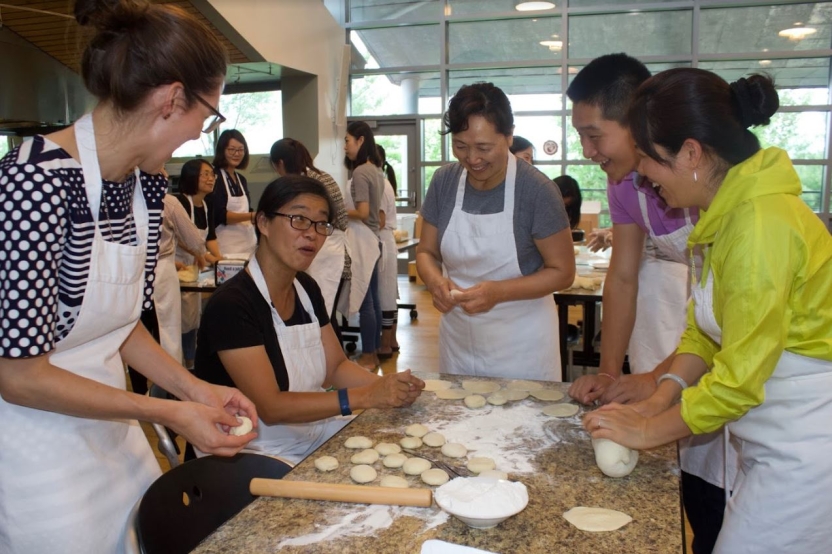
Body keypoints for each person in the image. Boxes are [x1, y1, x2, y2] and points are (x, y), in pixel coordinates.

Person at [0, 2, 256, 552]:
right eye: (205, 115)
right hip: (33, 450)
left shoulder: (143, 187)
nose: (198, 136)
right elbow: (17, 374)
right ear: (171, 99)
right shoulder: (33, 183)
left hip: (111, 432)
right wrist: (167, 410)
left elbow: (118, 324)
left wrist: (197, 390)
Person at [585, 68, 832, 554]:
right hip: (773, 432)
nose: (645, 176)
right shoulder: (726, 213)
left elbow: (737, 379)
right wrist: (658, 398)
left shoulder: (761, 225)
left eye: (651, 161)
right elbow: (705, 333)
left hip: (809, 441)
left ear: (692, 153)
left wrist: (651, 430)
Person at [566, 53, 731, 554]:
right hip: (700, 341)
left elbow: (733, 337)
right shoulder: (625, 186)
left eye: (595, 134)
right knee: (698, 482)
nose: (587, 150)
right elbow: (622, 278)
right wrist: (612, 374)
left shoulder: (720, 189)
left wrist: (658, 399)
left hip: (740, 362)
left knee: (725, 490)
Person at [194, 176, 424, 464]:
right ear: (263, 223)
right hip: (245, 454)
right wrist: (366, 396)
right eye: (299, 219)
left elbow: (336, 368)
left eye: (321, 223)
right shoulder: (232, 305)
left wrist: (390, 386)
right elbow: (272, 407)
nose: (312, 234)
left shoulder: (305, 288)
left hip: (305, 435)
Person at [416, 82, 574, 381]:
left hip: (522, 344)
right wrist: (435, 281)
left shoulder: (537, 190)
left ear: (509, 135)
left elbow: (563, 271)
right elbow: (426, 251)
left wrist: (498, 292)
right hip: (459, 340)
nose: (472, 158)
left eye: (484, 148)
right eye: (461, 146)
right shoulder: (444, 181)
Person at [269, 137, 350, 336]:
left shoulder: (301, 185)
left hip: (324, 250)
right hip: (333, 247)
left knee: (320, 316)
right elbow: (343, 220)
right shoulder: (321, 176)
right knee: (325, 316)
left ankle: (332, 363)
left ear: (280, 163)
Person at [343, 121, 384, 370]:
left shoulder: (359, 172)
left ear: (360, 140)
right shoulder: (375, 169)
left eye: (347, 141)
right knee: (375, 300)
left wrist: (336, 210)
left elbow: (363, 211)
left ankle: (368, 354)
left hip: (363, 239)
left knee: (367, 300)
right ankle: (374, 351)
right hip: (374, 239)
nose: (345, 146)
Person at [175, 158, 222, 368]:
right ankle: (182, 365)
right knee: (180, 322)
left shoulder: (206, 203)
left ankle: (193, 364)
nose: (210, 179)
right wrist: (204, 256)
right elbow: (181, 238)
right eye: (205, 174)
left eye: (212, 174)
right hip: (178, 267)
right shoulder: (180, 202)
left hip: (195, 269)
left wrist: (220, 260)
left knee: (193, 320)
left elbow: (208, 236)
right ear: (191, 176)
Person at [213, 129, 256, 258]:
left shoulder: (241, 179)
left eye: (241, 150)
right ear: (222, 151)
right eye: (232, 149)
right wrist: (251, 215)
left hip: (248, 244)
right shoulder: (215, 177)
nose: (237, 154)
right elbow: (220, 215)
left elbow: (247, 209)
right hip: (226, 248)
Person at [376, 144, 399, 358]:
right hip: (385, 242)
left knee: (385, 295)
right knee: (390, 294)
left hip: (381, 241)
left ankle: (385, 342)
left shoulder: (379, 184)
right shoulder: (384, 182)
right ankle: (391, 340)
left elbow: (380, 220)